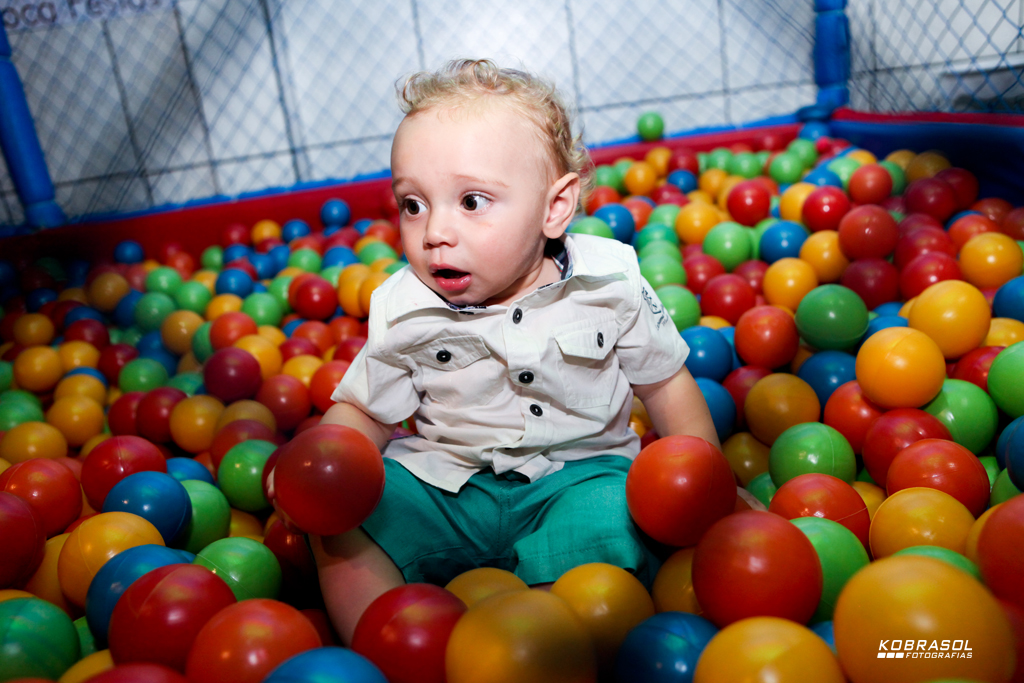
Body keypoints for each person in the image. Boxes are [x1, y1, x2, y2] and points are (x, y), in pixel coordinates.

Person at [312, 58, 719, 643]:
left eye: (472, 202)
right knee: (350, 522)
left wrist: (704, 477)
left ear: (554, 208)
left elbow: (665, 383)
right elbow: (366, 412)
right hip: (449, 485)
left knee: (616, 517)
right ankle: (384, 644)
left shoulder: (609, 283)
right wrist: (326, 473)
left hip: (578, 477)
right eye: (413, 204)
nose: (434, 233)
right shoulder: (403, 306)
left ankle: (546, 645)